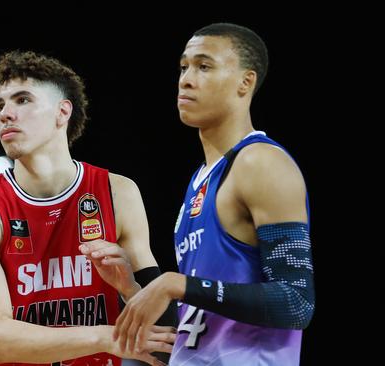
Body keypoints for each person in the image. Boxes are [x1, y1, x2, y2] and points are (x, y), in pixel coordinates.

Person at [107, 23, 316, 365]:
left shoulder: (261, 162)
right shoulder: (201, 180)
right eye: (183, 67)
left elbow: (296, 303)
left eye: (204, 66)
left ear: (245, 82)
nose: (186, 79)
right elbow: (200, 323)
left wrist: (177, 284)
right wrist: (134, 288)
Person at [0, 50, 176, 366]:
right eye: (0, 105)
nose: (5, 113)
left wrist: (130, 289)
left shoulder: (117, 193)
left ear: (62, 111)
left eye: (23, 100)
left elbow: (165, 343)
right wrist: (106, 337)